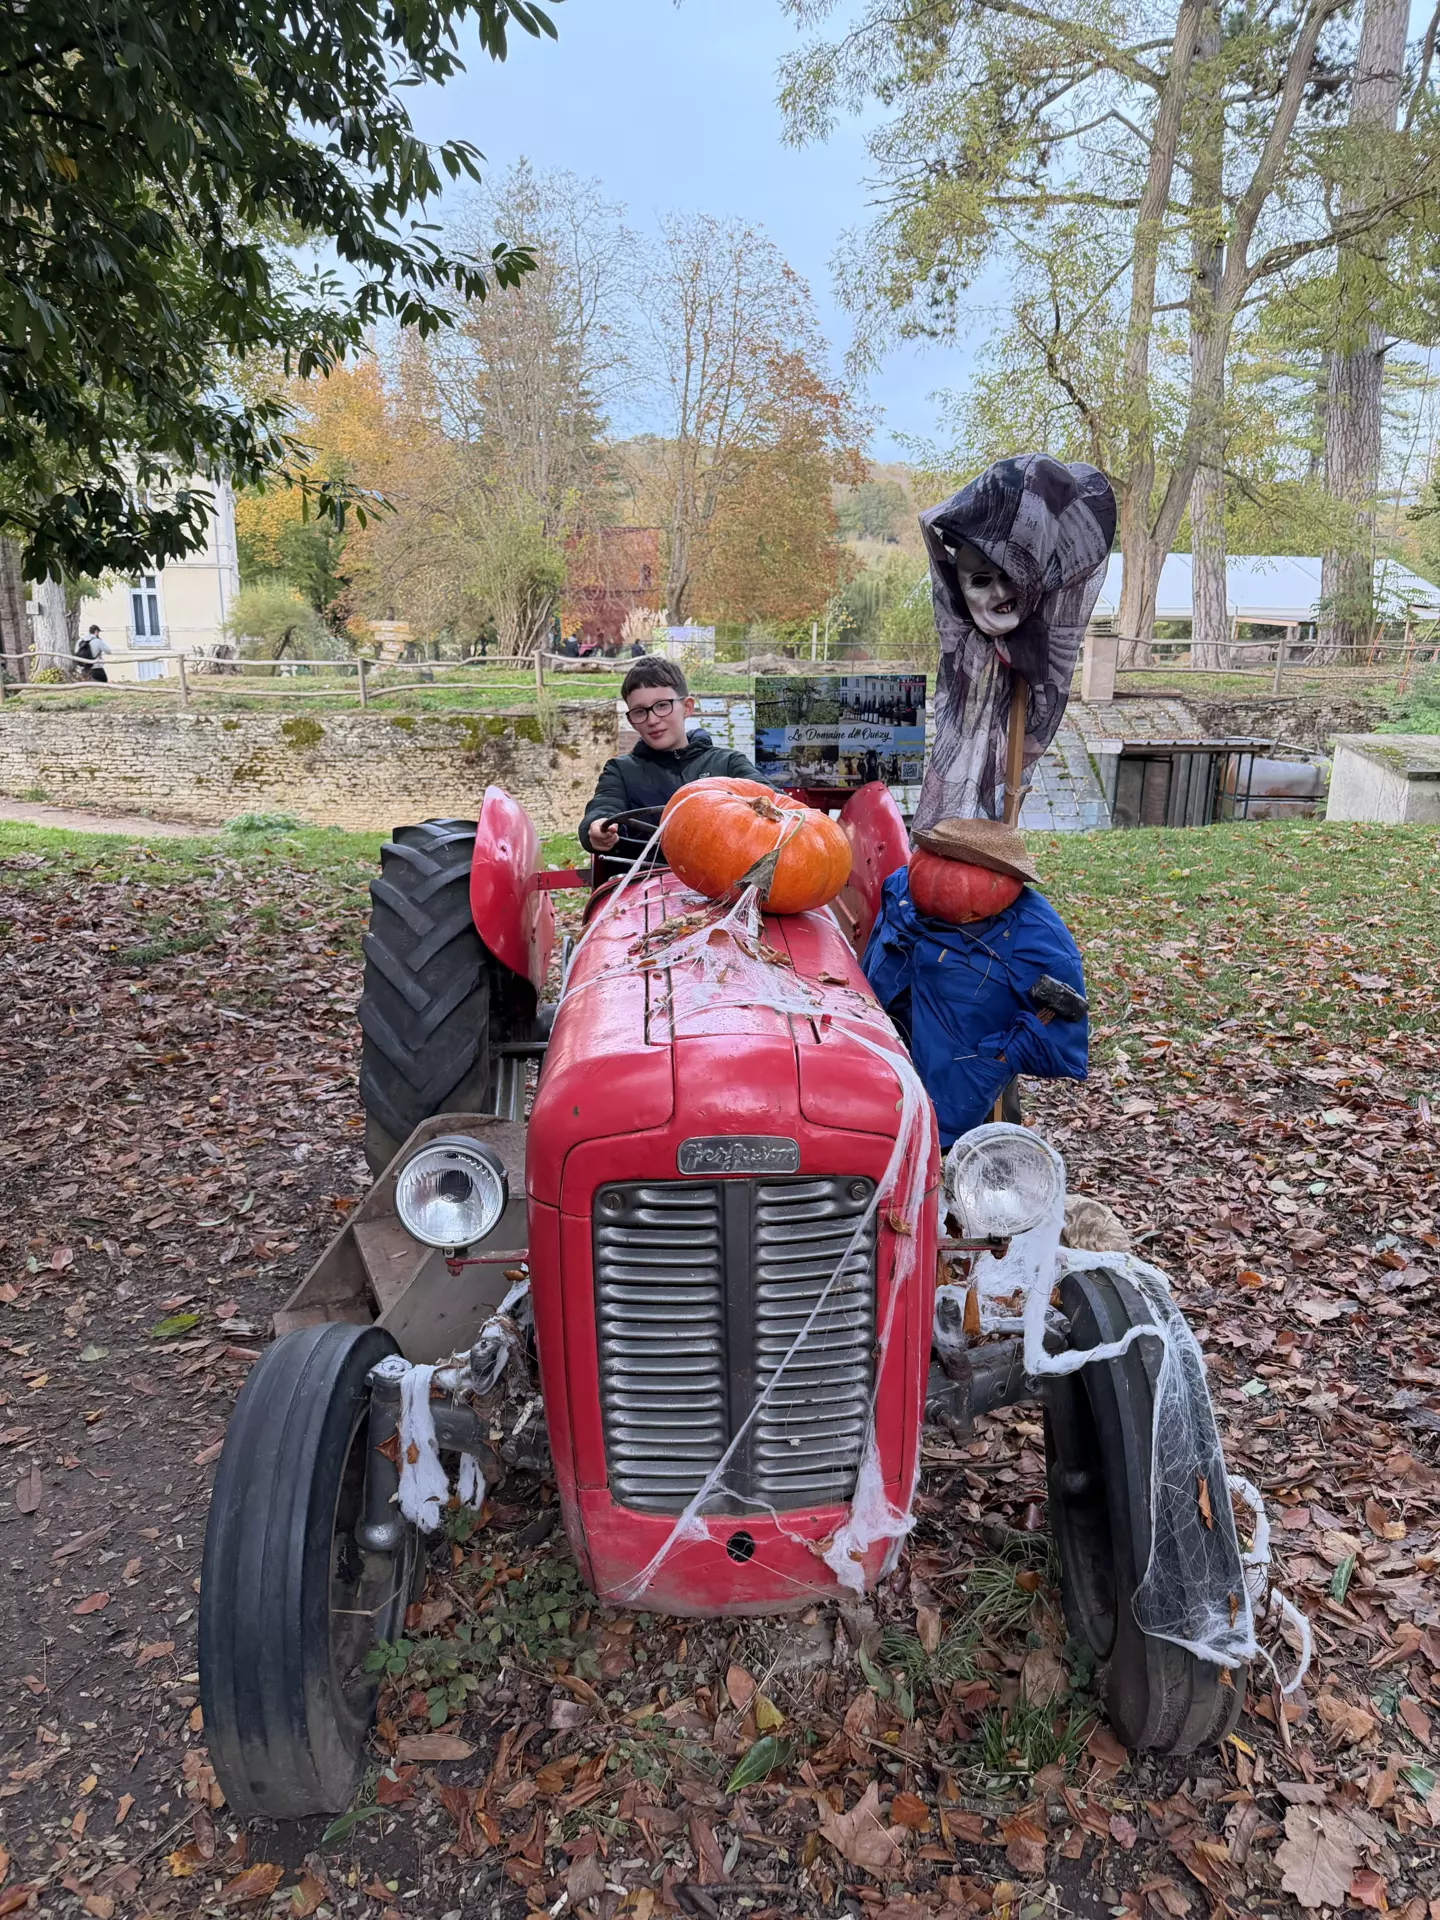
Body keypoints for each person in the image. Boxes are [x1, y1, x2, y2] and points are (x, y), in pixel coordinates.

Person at [862, 817, 1087, 1149]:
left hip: (958, 1085)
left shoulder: (1040, 941)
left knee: (949, 1161)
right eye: (937, 860)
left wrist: (998, 1061)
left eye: (961, 870)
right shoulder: (900, 888)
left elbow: (1064, 1042)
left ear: (1004, 878)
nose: (940, 878)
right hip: (879, 1059)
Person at [579, 658, 772, 867]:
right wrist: (598, 826)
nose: (652, 720)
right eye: (640, 711)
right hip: (643, 884)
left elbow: (775, 802)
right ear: (631, 720)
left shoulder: (727, 764)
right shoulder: (621, 771)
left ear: (687, 707)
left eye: (662, 706)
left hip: (723, 883)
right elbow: (604, 806)